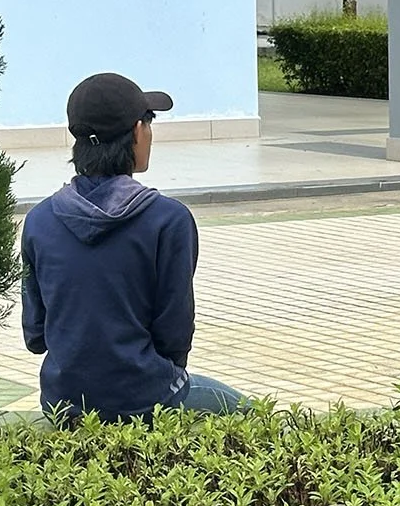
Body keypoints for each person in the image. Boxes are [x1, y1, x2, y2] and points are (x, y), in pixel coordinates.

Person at [21, 72, 246, 423]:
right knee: (254, 416)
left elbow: (36, 335)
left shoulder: (38, 221)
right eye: (149, 124)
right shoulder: (168, 220)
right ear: (138, 131)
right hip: (146, 394)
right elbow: (174, 336)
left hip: (62, 402)